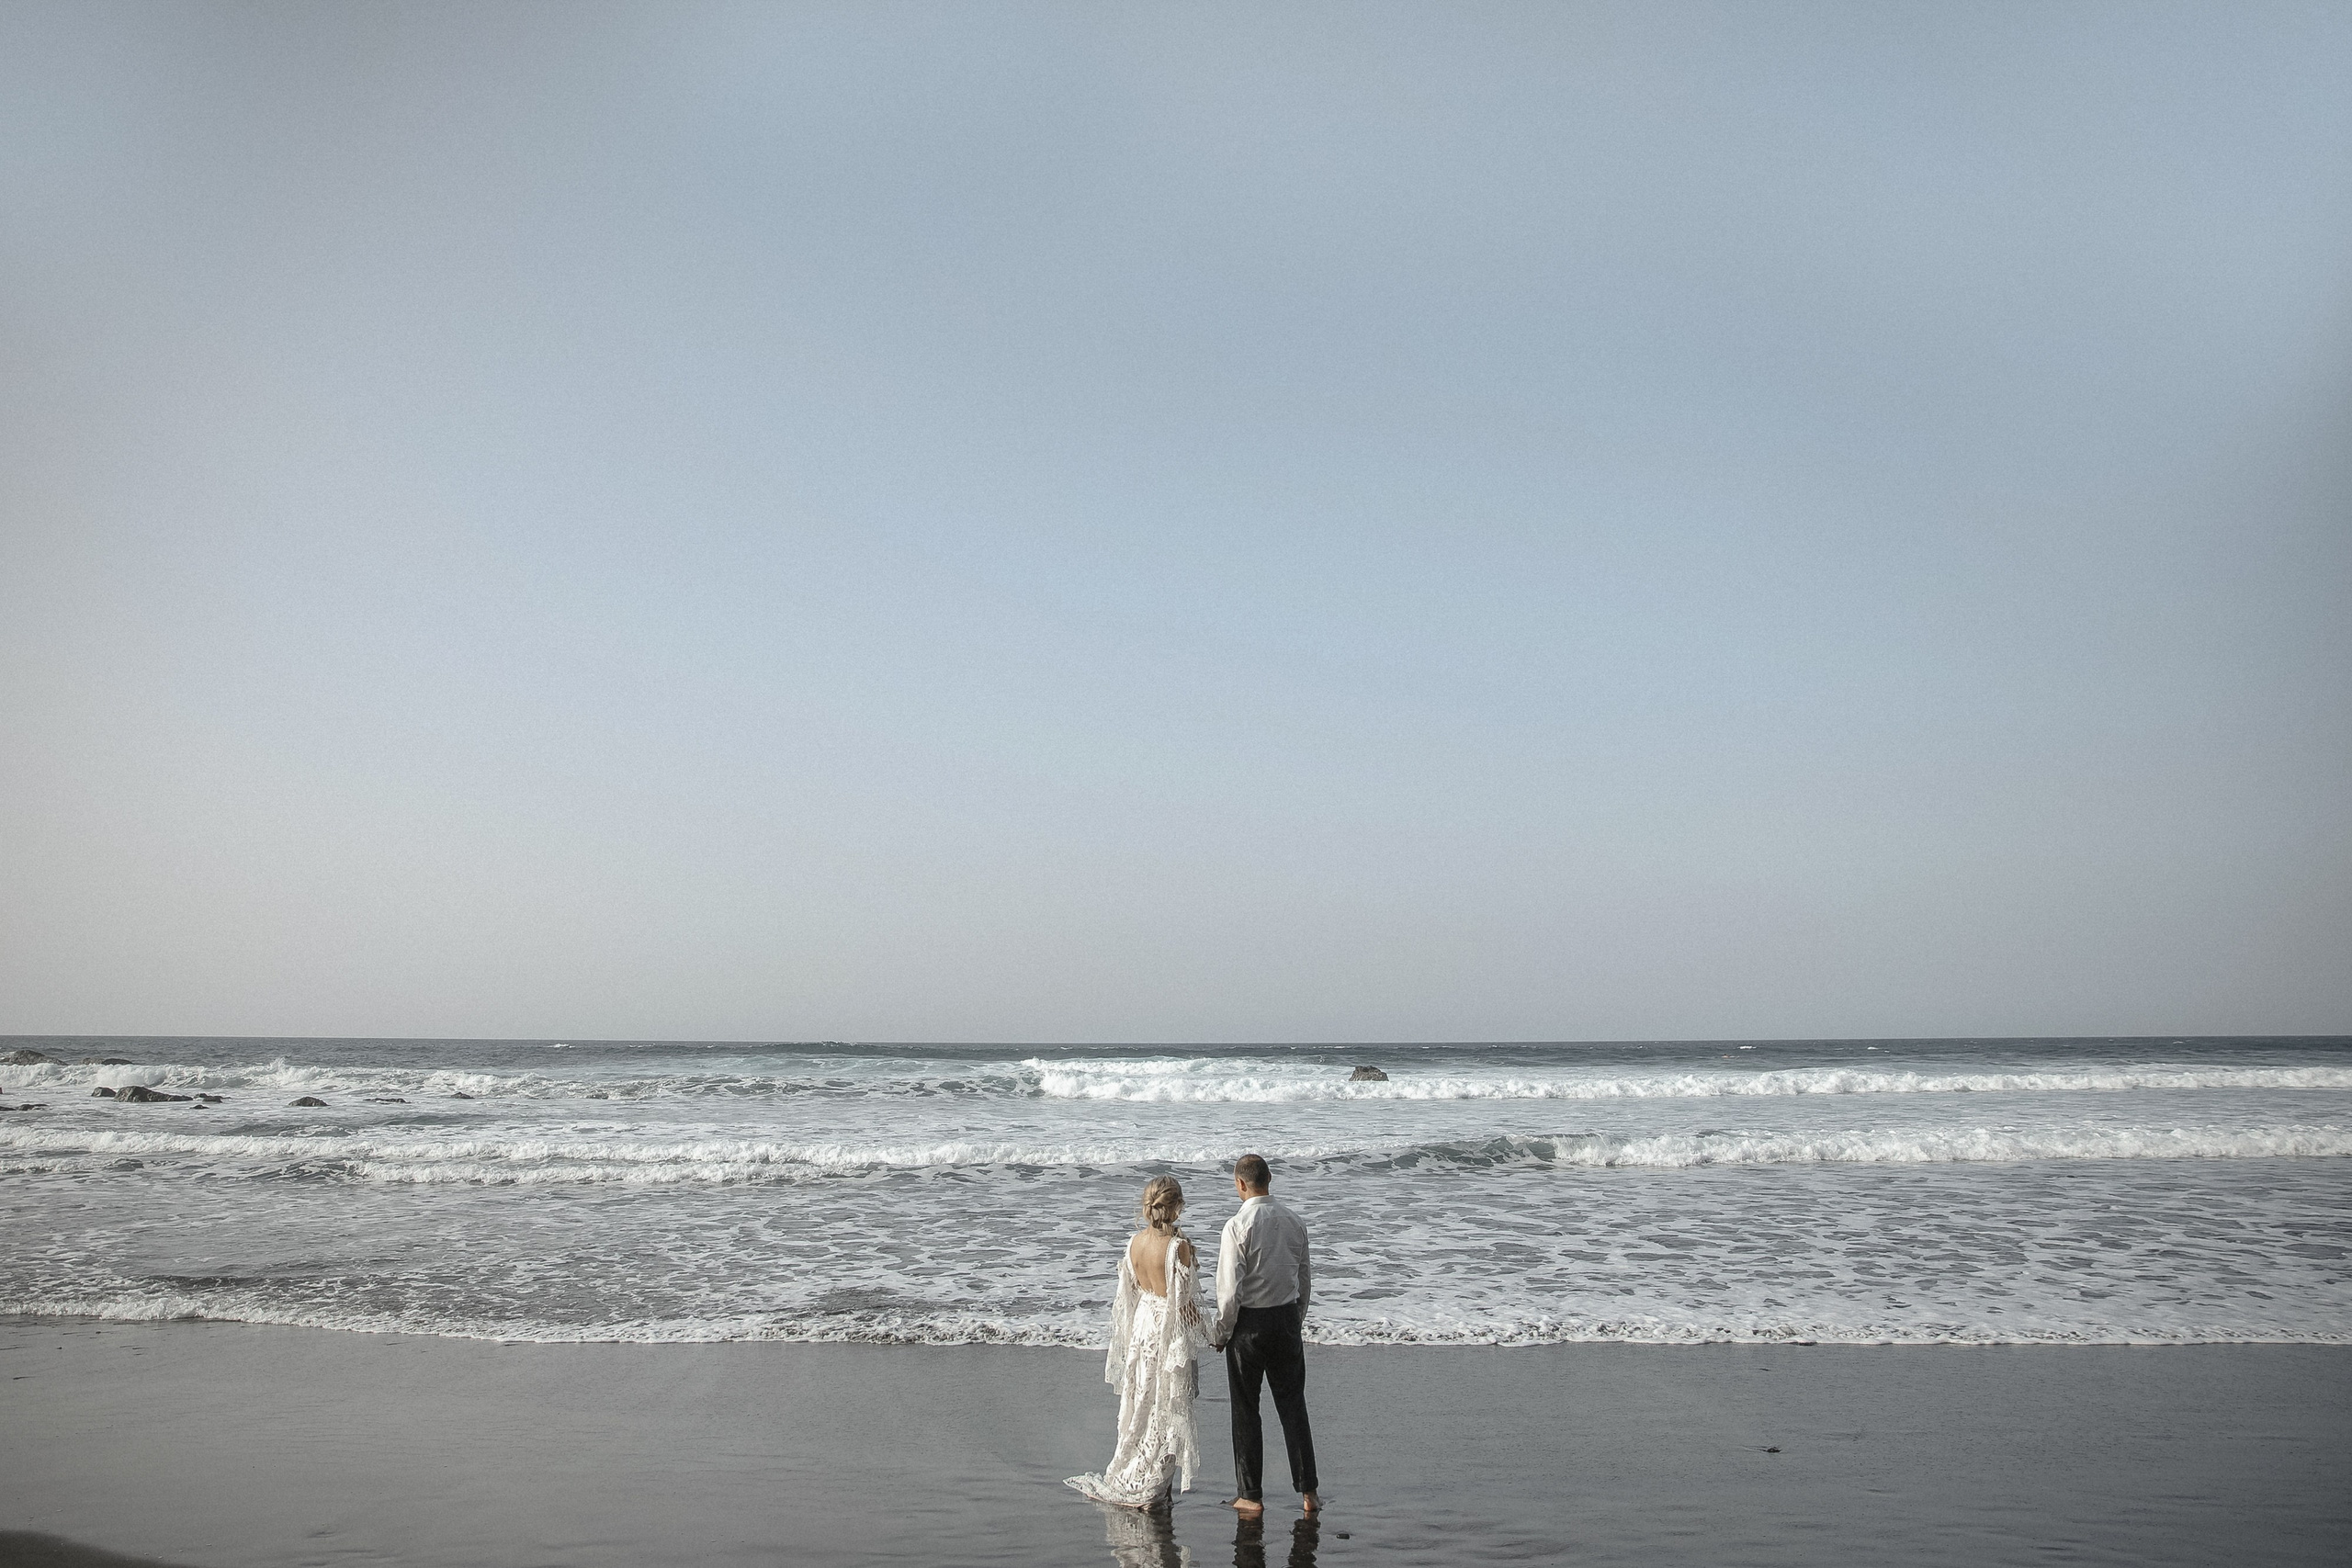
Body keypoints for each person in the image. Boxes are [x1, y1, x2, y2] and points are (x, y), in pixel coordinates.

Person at [1066, 1175, 1210, 1508]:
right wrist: (1213, 1334)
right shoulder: (1177, 1247)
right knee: (1167, 1404)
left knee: (1143, 1401)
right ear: (1176, 1208)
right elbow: (1184, 1305)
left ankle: (1135, 1470)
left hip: (1143, 1327)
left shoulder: (1134, 1244)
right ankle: (1156, 1485)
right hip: (1166, 1332)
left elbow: (1128, 1298)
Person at [1210, 1153, 1320, 1516]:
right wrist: (1295, 1320)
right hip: (1286, 1318)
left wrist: (1222, 1332)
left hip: (1249, 1326)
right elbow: (1304, 1279)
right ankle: (1309, 1492)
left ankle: (1251, 1495)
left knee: (1246, 1410)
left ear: (1240, 1184)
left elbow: (1230, 1292)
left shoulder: (1237, 1226)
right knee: (1293, 1407)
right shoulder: (1294, 1220)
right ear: (1269, 1179)